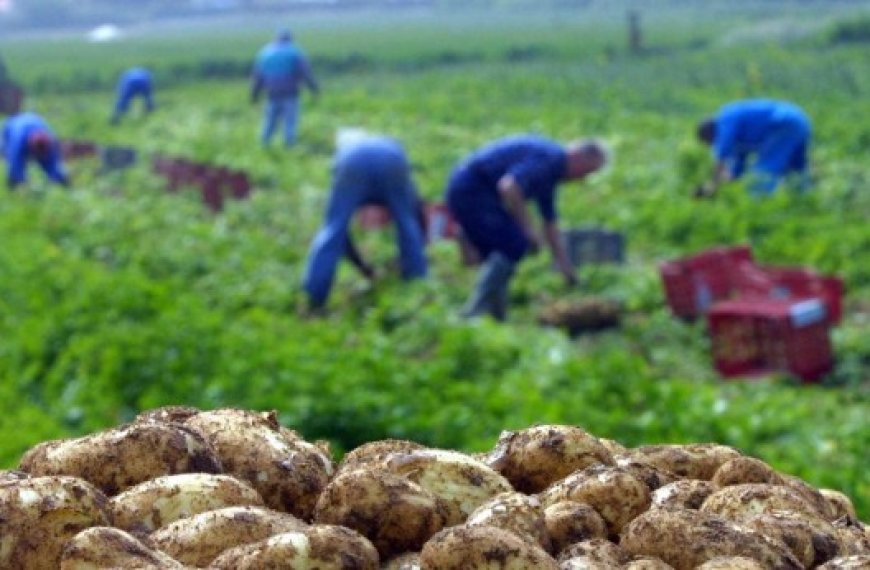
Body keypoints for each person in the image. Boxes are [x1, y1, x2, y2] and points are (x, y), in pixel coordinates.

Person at [446, 135, 608, 321]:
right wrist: (528, 229)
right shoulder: (550, 160)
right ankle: (475, 311)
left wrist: (564, 265)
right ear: (578, 156)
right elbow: (509, 186)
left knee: (508, 247)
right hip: (471, 190)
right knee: (513, 244)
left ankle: (495, 314)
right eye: (586, 172)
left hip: (478, 192)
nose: (582, 179)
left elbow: (550, 223)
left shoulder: (552, 172)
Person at [302, 131, 428, 309]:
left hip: (352, 162)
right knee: (407, 225)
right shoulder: (388, 145)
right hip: (393, 159)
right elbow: (416, 211)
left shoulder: (346, 149)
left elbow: (340, 235)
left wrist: (362, 267)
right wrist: (422, 242)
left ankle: (314, 296)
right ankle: (417, 288)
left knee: (333, 228)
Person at [696, 99, 812, 197]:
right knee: (796, 171)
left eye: (710, 142)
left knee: (762, 175)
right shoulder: (738, 140)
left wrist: (713, 183)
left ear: (710, 134)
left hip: (782, 123)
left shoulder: (725, 118)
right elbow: (738, 166)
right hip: (799, 120)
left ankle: (759, 208)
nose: (713, 145)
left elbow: (723, 152)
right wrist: (728, 182)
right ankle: (805, 203)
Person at [251, 29, 319, 147]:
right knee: (290, 122)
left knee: (270, 121)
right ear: (290, 39)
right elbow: (305, 73)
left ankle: (264, 144)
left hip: (271, 93)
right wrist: (314, 89)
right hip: (290, 93)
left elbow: (257, 77)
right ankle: (289, 145)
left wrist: (254, 95)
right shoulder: (295, 52)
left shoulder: (265, 53)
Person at [3, 112, 69, 190]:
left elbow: (53, 161)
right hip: (11, 126)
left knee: (52, 166)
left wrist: (59, 179)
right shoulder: (17, 141)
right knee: (15, 164)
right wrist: (19, 182)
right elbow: (15, 162)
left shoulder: (51, 140)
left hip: (34, 121)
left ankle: (62, 181)